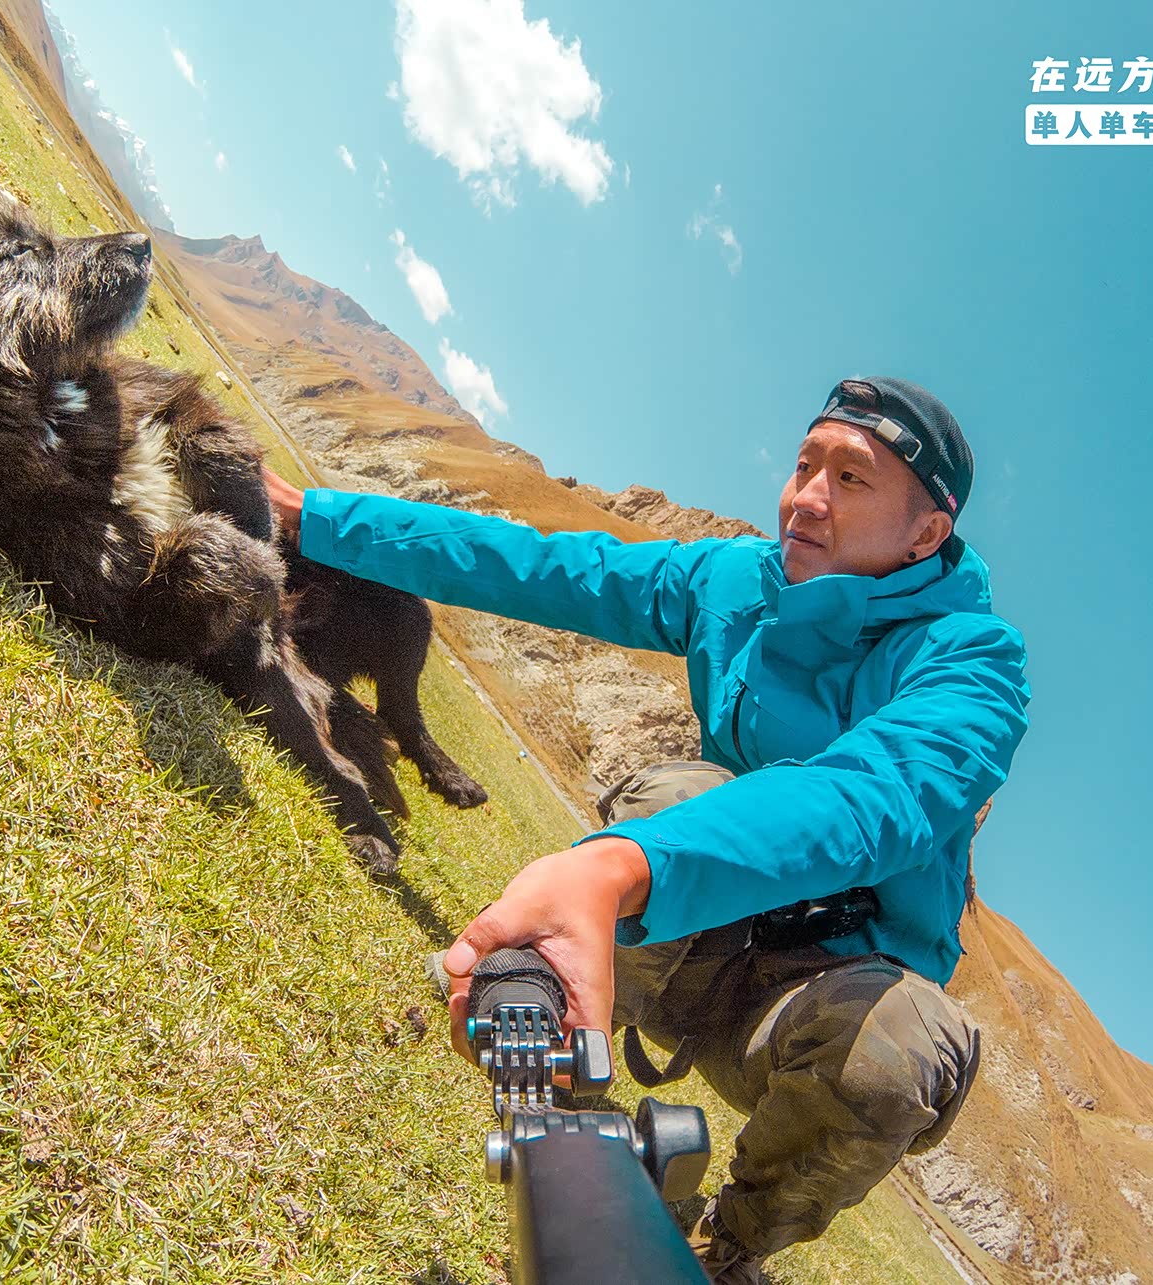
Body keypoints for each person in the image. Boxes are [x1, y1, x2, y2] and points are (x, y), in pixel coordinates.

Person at [264, 376, 1032, 1282]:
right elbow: (543, 566)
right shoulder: (737, 581)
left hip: (808, 1004)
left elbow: (874, 798)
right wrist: (313, 519)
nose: (806, 498)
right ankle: (558, 1073)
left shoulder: (976, 664)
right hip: (696, 929)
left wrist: (619, 867)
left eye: (851, 478)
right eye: (803, 465)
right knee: (680, 791)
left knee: (903, 1042)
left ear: (926, 534)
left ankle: (730, 1247)